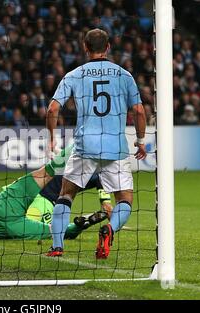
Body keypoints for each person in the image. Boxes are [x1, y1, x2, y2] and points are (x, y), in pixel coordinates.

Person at [46, 28, 147, 258]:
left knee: (66, 194)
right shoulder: (124, 75)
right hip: (116, 147)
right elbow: (140, 111)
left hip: (85, 146)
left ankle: (57, 247)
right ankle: (109, 229)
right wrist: (141, 141)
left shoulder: (74, 74)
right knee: (124, 199)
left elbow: (53, 108)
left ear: (85, 47)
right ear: (108, 47)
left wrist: (52, 138)